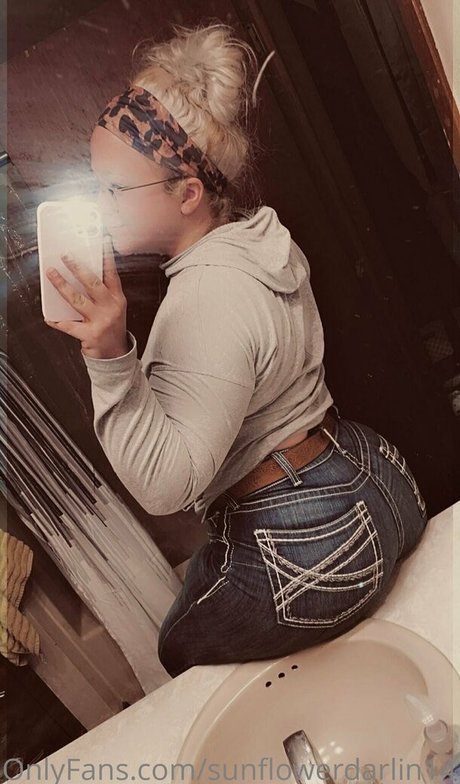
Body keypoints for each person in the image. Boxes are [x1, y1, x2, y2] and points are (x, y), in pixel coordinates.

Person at [45, 21, 428, 678]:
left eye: (114, 190)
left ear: (188, 194)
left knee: (178, 648)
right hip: (378, 476)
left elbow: (167, 485)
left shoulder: (206, 297)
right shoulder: (259, 239)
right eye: (94, 182)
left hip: (312, 531)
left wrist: (108, 356)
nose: (98, 205)